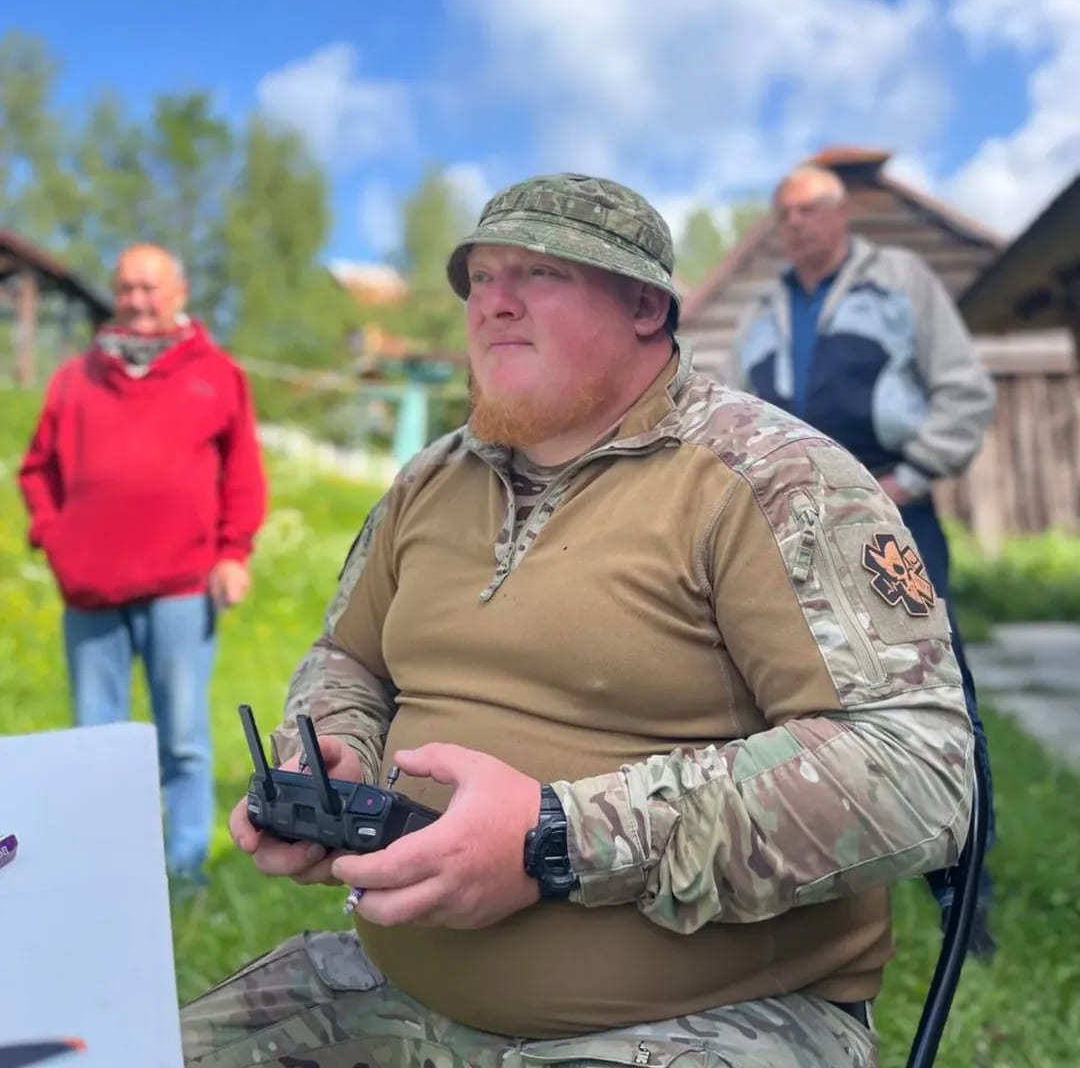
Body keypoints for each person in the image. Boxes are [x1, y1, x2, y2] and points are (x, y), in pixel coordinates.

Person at [181, 174, 974, 1067]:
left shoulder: (770, 479)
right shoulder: (428, 483)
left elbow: (918, 768)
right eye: (481, 278)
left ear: (645, 306)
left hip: (701, 1023)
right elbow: (348, 659)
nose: (496, 303)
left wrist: (557, 838)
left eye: (540, 274)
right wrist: (337, 753)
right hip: (392, 997)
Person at [734, 163, 997, 957]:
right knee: (800, 692)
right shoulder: (763, 312)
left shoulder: (899, 281)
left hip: (891, 516)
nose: (795, 224)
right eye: (783, 213)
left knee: (935, 688)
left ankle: (964, 889)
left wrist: (907, 477)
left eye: (808, 210)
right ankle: (823, 872)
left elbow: (964, 392)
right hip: (794, 523)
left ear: (840, 213)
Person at [18, 244, 267, 884]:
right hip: (90, 590)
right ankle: (103, 870)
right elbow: (37, 470)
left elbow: (243, 473)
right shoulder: (75, 378)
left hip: (182, 586)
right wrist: (54, 536)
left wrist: (233, 552)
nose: (136, 300)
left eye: (149, 287)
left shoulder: (218, 374)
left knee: (181, 737)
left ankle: (185, 870)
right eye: (126, 287)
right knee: (93, 741)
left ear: (179, 293)